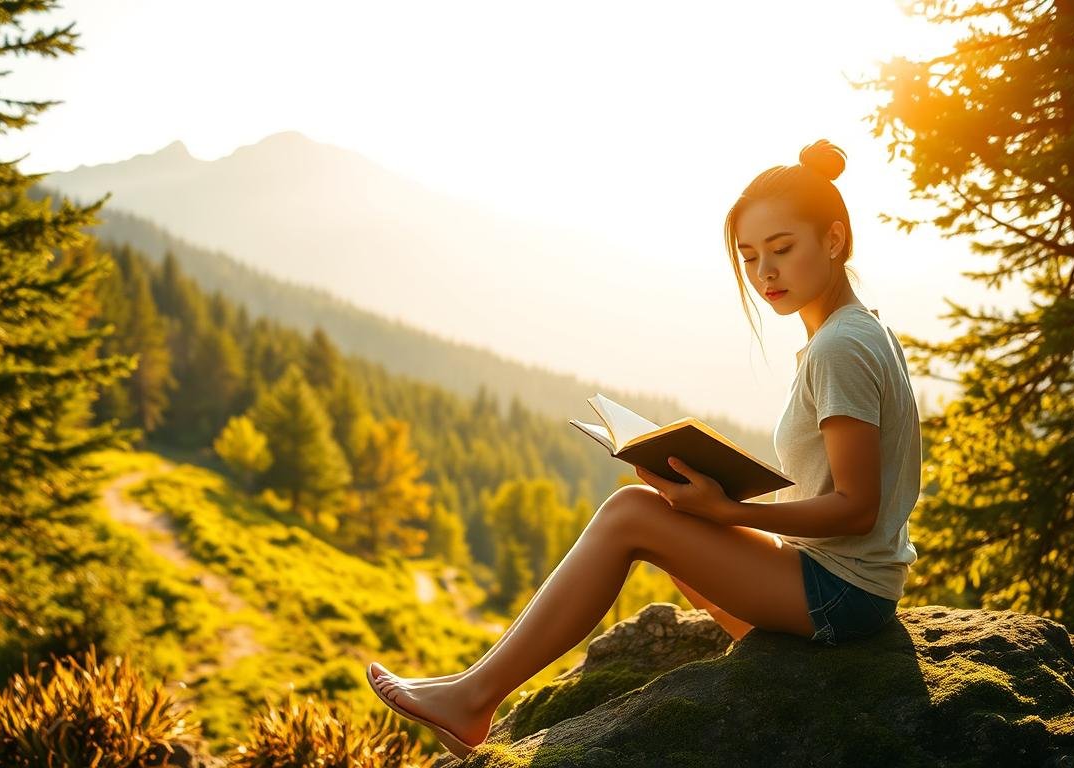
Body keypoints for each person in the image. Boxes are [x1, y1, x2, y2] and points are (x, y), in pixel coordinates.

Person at [366, 138, 922, 760]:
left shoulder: (839, 348)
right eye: (749, 256)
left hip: (842, 596)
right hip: (841, 586)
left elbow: (855, 508)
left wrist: (731, 513)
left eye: (783, 249)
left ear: (835, 240)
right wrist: (708, 488)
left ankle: (473, 699)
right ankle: (470, 691)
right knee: (667, 519)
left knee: (630, 515)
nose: (766, 273)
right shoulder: (851, 330)